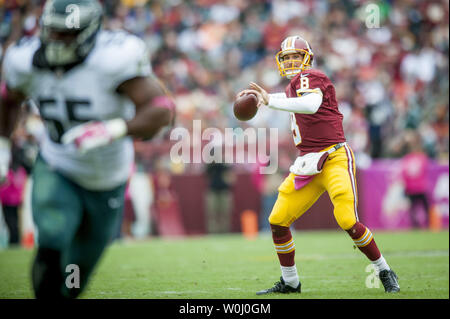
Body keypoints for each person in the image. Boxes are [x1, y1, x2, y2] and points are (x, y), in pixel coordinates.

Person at [0, 0, 174, 298]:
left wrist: (114, 128)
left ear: (91, 32)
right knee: (53, 235)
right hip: (58, 162)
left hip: (108, 177)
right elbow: (8, 100)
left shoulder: (113, 58)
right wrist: (3, 146)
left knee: (76, 273)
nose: (58, 41)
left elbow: (161, 110)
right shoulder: (24, 58)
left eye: (68, 34)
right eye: (53, 32)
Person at [238, 36, 400, 294]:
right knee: (278, 219)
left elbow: (311, 104)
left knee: (347, 219)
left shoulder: (312, 77)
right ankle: (290, 281)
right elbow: (294, 99)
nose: (291, 61)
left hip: (334, 157)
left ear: (308, 58)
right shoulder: (295, 85)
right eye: (286, 57)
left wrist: (269, 99)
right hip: (307, 162)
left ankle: (384, 269)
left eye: (295, 56)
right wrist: (262, 98)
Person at [401, 131, 430, 229]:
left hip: (412, 188)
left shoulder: (407, 159)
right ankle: (426, 225)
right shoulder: (422, 158)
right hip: (419, 187)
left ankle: (417, 225)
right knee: (424, 207)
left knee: (414, 208)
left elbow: (404, 175)